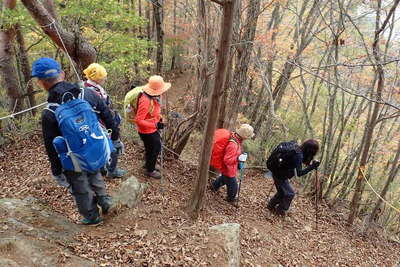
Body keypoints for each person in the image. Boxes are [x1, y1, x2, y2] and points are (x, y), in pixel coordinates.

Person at [33, 57, 121, 225]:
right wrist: (115, 138)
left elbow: (51, 146)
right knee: (94, 171)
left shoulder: (49, 111)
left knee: (79, 185)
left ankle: (92, 216)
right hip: (94, 147)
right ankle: (105, 200)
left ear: (41, 83)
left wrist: (56, 169)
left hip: (72, 158)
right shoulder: (86, 93)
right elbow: (107, 115)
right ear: (63, 74)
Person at [83, 63, 127, 179]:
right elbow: (104, 111)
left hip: (98, 122)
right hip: (101, 123)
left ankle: (103, 167)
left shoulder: (87, 87)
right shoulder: (93, 91)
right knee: (113, 146)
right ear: (97, 78)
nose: (105, 79)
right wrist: (113, 128)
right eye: (103, 77)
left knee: (102, 146)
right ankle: (111, 170)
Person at [266, 139, 320, 216]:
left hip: (278, 171)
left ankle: (270, 206)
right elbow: (299, 173)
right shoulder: (298, 155)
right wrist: (312, 167)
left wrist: (311, 163)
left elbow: (299, 163)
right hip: (279, 174)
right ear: (310, 151)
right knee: (290, 193)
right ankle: (280, 212)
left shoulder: (297, 149)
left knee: (282, 192)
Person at [135, 75, 171, 179]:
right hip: (147, 131)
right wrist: (155, 125)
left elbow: (153, 112)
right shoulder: (145, 101)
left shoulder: (152, 97)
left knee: (151, 148)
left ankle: (149, 164)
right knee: (155, 148)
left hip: (151, 129)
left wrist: (159, 118)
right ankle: (150, 170)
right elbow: (139, 120)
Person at [210, 124, 254, 204]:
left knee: (223, 179)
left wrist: (240, 155)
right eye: (248, 136)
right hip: (229, 170)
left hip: (228, 169)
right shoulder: (233, 144)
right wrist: (238, 158)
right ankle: (231, 198)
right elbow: (227, 160)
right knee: (233, 186)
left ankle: (213, 186)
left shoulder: (236, 139)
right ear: (244, 136)